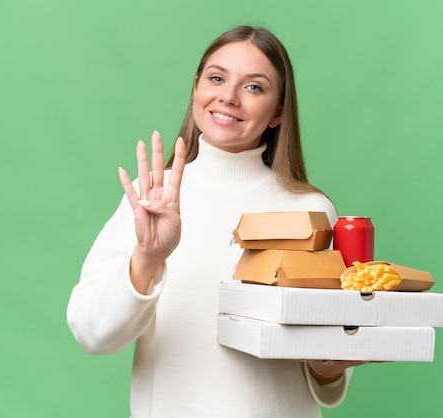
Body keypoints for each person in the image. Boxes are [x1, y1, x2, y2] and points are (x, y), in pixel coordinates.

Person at [67, 25, 369, 417]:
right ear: (197, 88)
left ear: (278, 112)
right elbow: (93, 334)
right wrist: (147, 259)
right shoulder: (152, 198)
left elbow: (324, 378)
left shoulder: (310, 211)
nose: (228, 96)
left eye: (254, 87)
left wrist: (331, 362)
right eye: (216, 78)